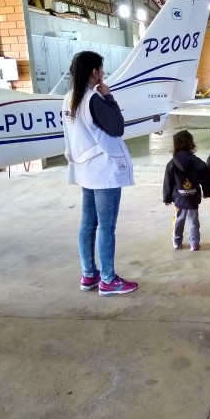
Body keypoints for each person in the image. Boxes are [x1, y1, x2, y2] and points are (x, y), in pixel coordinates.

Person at [62, 51, 138, 296]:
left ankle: (89, 274)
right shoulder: (93, 99)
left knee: (88, 224)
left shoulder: (69, 98)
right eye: (101, 69)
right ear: (94, 72)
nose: (103, 73)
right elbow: (117, 127)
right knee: (106, 227)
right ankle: (108, 280)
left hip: (86, 170)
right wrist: (108, 96)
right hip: (104, 171)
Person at [163, 130, 210, 251]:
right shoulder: (197, 162)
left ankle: (177, 242)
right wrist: (207, 191)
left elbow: (168, 182)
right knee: (194, 221)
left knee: (178, 220)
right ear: (191, 143)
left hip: (179, 199)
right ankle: (194, 243)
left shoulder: (171, 164)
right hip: (193, 198)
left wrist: (167, 197)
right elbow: (206, 177)